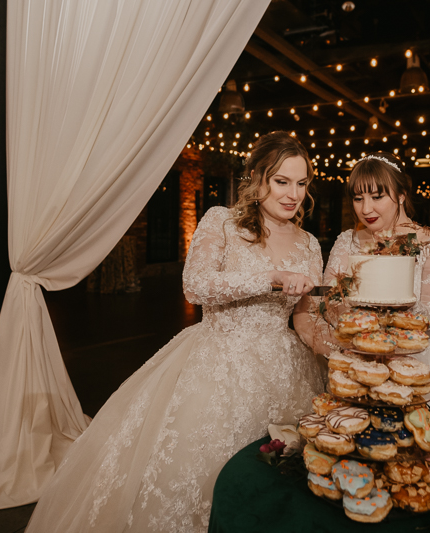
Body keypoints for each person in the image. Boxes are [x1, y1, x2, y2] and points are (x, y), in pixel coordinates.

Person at [26, 131, 324, 532]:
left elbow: (306, 321)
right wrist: (270, 276)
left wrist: (348, 347)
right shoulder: (222, 221)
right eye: (281, 181)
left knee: (273, 483)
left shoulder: (309, 245)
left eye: (301, 183)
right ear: (257, 179)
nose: (293, 194)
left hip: (285, 372)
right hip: (217, 366)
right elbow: (195, 285)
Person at [296, 152, 430, 449]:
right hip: (359, 362)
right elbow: (330, 302)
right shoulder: (347, 241)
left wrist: (384, 312)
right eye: (357, 198)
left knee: (418, 453)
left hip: (418, 364)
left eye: (377, 196)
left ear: (402, 194)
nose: (366, 208)